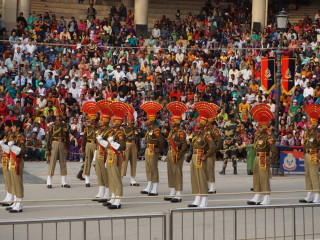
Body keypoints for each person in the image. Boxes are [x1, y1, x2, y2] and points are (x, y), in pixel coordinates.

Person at [97, 101, 127, 209]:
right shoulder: (112, 133)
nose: (111, 122)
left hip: (115, 156)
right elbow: (108, 146)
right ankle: (113, 197)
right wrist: (101, 141)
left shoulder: (120, 133)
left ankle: (118, 200)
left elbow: (123, 147)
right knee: (111, 177)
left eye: (113, 121)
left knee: (116, 177)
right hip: (109, 156)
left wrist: (113, 142)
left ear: (118, 123)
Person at [247, 104, 277, 205]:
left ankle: (266, 196)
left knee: (264, 178)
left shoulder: (269, 136)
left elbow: (274, 150)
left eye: (260, 126)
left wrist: (271, 161)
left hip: (264, 157)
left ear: (264, 126)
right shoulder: (257, 136)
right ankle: (257, 195)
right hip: (257, 158)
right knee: (256, 177)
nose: (258, 127)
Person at [188, 102, 216, 208]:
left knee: (202, 178)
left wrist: (206, 155)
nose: (196, 123)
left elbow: (212, 147)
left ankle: (204, 199)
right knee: (195, 177)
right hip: (195, 157)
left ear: (203, 124)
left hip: (201, 157)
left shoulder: (206, 135)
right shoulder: (196, 134)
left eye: (198, 122)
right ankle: (197, 198)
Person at [164, 101, 188, 202]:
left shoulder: (181, 132)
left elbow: (184, 146)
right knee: (171, 172)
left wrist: (179, 155)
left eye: (173, 121)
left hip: (177, 153)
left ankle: (178, 194)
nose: (171, 122)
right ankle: (172, 191)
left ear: (177, 122)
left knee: (177, 173)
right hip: (170, 153)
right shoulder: (172, 131)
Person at [140, 101, 165, 196]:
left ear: (153, 121)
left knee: (153, 168)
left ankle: (155, 188)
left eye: (148, 120)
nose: (146, 121)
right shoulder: (149, 129)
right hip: (148, 150)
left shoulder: (156, 130)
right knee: (148, 168)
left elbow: (162, 140)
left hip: (153, 150)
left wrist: (158, 149)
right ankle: (149, 185)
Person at [299, 104, 320, 203]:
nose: (308, 125)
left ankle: (317, 195)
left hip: (313, 154)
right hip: (306, 154)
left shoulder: (317, 134)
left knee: (314, 175)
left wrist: (317, 155)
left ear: (315, 124)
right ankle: (309, 194)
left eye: (310, 123)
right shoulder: (307, 133)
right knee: (307, 175)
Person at [94, 100, 113, 202]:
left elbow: (109, 145)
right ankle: (101, 190)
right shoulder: (100, 130)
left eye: (101, 120)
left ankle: (107, 192)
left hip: (106, 154)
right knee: (99, 173)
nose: (99, 121)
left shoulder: (109, 131)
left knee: (105, 173)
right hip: (99, 154)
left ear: (105, 120)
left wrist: (101, 141)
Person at [46, 107, 70, 188]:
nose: (58, 118)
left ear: (62, 117)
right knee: (52, 162)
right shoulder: (52, 126)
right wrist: (47, 149)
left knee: (63, 163)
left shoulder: (65, 126)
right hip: (54, 144)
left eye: (60, 117)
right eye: (57, 117)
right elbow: (49, 138)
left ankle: (64, 182)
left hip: (62, 144)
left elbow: (67, 138)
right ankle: (49, 181)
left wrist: (68, 148)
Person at [78, 102, 100, 187]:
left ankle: (99, 177)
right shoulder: (87, 128)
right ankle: (87, 180)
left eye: (91, 119)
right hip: (88, 144)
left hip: (96, 145)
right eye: (89, 119)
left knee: (97, 162)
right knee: (87, 162)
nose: (90, 121)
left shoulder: (99, 128)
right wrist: (83, 149)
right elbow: (84, 139)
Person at [5, 120, 26, 213]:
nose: (12, 128)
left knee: (18, 181)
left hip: (18, 160)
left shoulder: (20, 137)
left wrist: (13, 146)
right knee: (14, 181)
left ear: (18, 128)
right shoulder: (13, 136)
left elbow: (22, 151)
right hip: (12, 160)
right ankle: (16, 202)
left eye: (14, 126)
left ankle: (20, 203)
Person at [121, 104, 143, 186]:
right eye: (131, 120)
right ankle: (121, 177)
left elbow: (141, 137)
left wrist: (137, 129)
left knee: (134, 162)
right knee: (124, 162)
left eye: (133, 120)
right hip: (126, 145)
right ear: (127, 120)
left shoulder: (136, 128)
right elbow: (123, 138)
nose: (132, 121)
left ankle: (133, 179)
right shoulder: (124, 128)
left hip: (134, 145)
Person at [205, 103, 222, 194]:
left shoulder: (213, 130)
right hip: (204, 152)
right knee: (205, 170)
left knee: (210, 169)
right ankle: (208, 186)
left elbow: (219, 140)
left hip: (211, 152)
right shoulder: (205, 130)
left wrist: (215, 149)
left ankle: (212, 187)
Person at [0, 121, 14, 206]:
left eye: (6, 126)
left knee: (10, 177)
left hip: (9, 158)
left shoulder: (11, 136)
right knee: (6, 178)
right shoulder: (6, 135)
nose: (5, 128)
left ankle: (11, 196)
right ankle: (8, 195)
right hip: (5, 157)